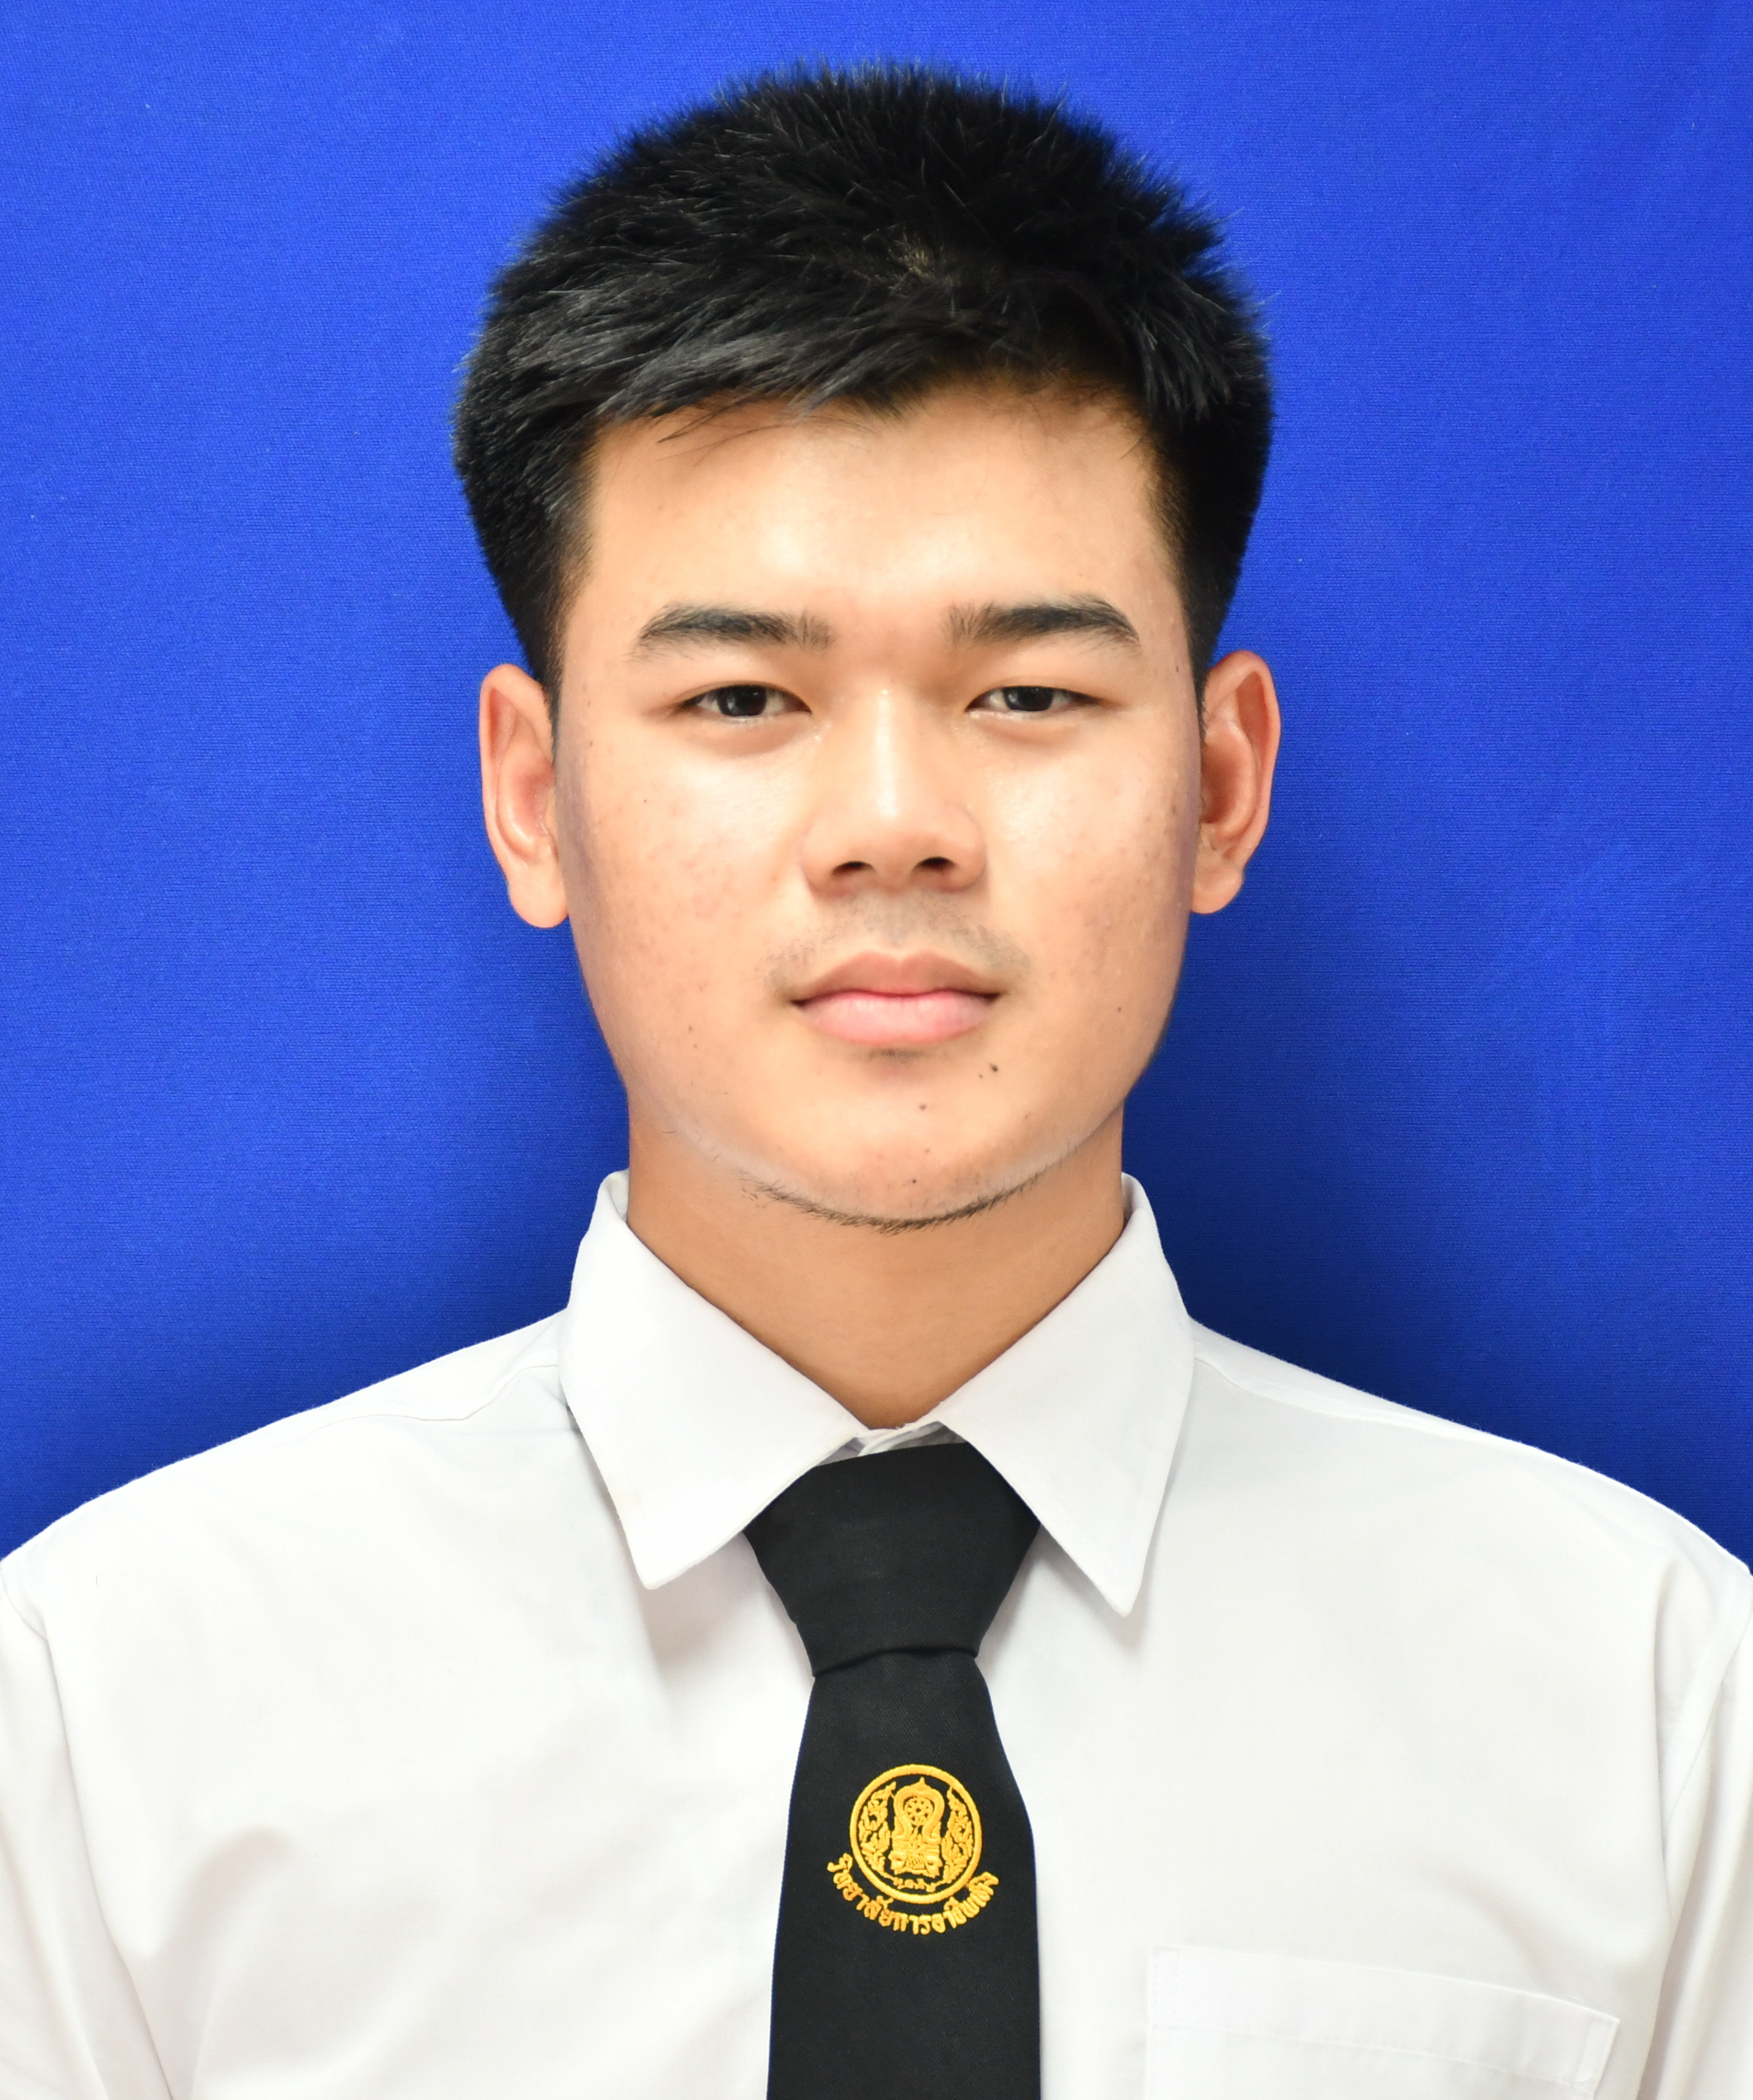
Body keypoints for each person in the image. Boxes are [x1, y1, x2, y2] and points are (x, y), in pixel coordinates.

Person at [0, 61, 1747, 2100]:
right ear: (533, 794)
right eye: (744, 694)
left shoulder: (1644, 1707)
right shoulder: (109, 1715)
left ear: (1217, 783)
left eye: (1027, 691)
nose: (894, 824)